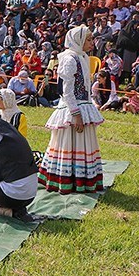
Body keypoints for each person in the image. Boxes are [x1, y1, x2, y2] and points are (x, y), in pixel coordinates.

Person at [39, 25, 104, 194]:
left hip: (82, 104)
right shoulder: (70, 59)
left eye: (91, 39)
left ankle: (81, 180)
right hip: (72, 108)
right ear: (78, 40)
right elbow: (66, 91)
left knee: (81, 144)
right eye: (88, 39)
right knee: (68, 143)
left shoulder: (81, 56)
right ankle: (66, 180)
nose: (92, 43)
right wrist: (76, 114)